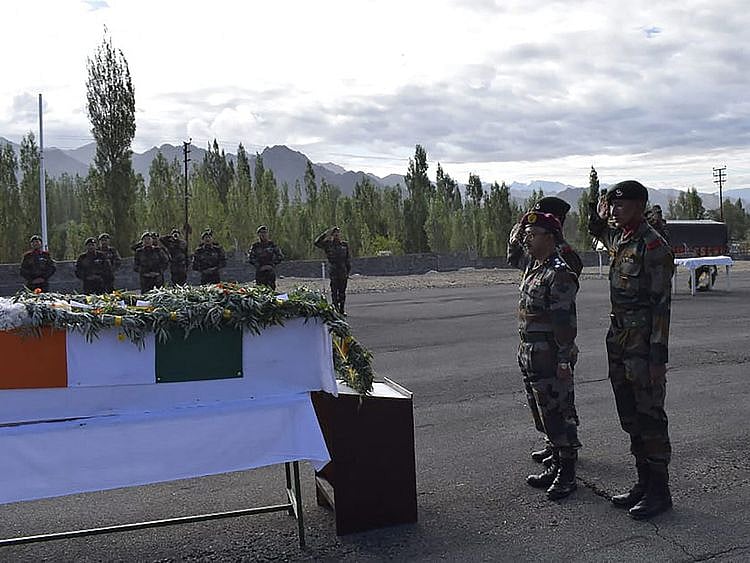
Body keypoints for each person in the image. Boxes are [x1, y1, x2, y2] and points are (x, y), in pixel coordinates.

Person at [588, 180, 674, 520]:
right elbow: (597, 230)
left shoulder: (653, 246)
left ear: (640, 205)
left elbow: (662, 307)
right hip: (619, 339)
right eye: (613, 204)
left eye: (622, 204)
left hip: (643, 345)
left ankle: (660, 490)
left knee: (650, 416)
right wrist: (598, 212)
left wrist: (657, 358)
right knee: (630, 414)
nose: (615, 209)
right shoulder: (621, 237)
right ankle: (643, 482)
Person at [508, 196, 583, 467]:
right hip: (534, 347)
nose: (529, 238)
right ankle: (555, 447)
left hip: (553, 344)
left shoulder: (564, 258)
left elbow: (562, 309)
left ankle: (566, 453)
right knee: (544, 404)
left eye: (535, 230)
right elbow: (513, 258)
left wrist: (564, 355)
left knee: (561, 405)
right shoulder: (536, 259)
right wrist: (520, 233)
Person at [314, 226, 352, 314]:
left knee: (342, 291)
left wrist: (348, 271)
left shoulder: (344, 245)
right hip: (334, 269)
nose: (336, 235)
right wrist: (325, 233)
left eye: (338, 233)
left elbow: (347, 259)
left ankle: (342, 309)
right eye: (334, 233)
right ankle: (336, 308)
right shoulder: (328, 244)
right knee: (334, 291)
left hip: (343, 270)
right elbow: (316, 243)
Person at [247, 225, 284, 290]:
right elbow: (250, 258)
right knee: (260, 291)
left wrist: (272, 265)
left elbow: (280, 256)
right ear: (258, 235)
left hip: (270, 272)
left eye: (265, 232)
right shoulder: (255, 246)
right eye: (261, 233)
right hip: (260, 272)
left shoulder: (272, 245)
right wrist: (259, 266)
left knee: (271, 291)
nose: (263, 235)